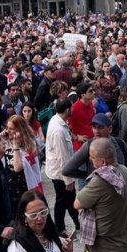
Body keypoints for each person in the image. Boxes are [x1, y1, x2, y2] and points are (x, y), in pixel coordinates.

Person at [61, 113, 127, 234]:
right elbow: (67, 169)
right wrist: (88, 175)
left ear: (110, 129)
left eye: (100, 127)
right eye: (94, 127)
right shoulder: (89, 146)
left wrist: (125, 177)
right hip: (99, 198)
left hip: (119, 198)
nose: (96, 131)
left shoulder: (119, 143)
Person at [73, 137, 127, 252]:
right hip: (125, 249)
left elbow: (77, 203)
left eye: (93, 157)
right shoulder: (124, 171)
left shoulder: (100, 180)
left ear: (102, 162)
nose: (90, 159)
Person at [7, 190, 76, 252]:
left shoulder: (50, 232)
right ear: (24, 217)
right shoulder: (18, 246)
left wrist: (68, 251)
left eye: (43, 212)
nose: (40, 218)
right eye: (33, 215)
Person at [44, 98, 79, 236]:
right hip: (60, 173)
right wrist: (68, 181)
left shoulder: (58, 121)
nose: (72, 110)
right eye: (71, 108)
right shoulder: (58, 130)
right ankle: (60, 229)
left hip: (60, 171)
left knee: (70, 200)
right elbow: (63, 157)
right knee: (62, 201)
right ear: (67, 110)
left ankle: (78, 224)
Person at [2, 115, 42, 213]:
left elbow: (17, 167)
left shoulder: (28, 144)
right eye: (7, 128)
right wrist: (4, 139)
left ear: (19, 130)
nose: (8, 131)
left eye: (11, 129)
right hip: (12, 186)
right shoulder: (9, 140)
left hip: (24, 186)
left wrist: (15, 146)